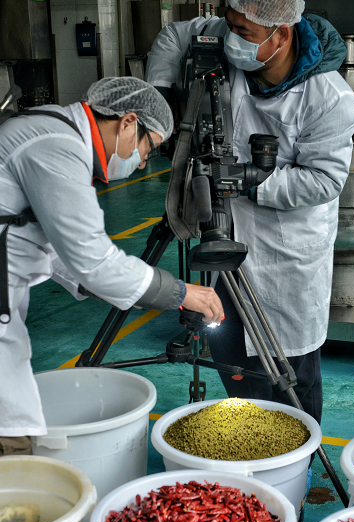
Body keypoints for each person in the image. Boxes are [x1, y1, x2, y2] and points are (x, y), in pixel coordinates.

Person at [145, 0, 354, 424]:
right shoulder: (232, 35)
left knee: (286, 371)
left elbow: (325, 181)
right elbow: (173, 36)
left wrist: (250, 180)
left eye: (244, 32)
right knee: (230, 354)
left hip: (285, 253)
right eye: (230, 25)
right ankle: (245, 445)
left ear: (280, 35)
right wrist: (164, 99)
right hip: (221, 234)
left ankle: (293, 466)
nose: (231, 39)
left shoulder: (329, 98)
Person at [0, 76, 223, 456]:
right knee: (11, 430)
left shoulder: (55, 129)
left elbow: (57, 246)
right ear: (128, 122)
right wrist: (180, 292)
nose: (142, 162)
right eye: (148, 149)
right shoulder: (56, 145)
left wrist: (121, 287)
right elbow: (90, 257)